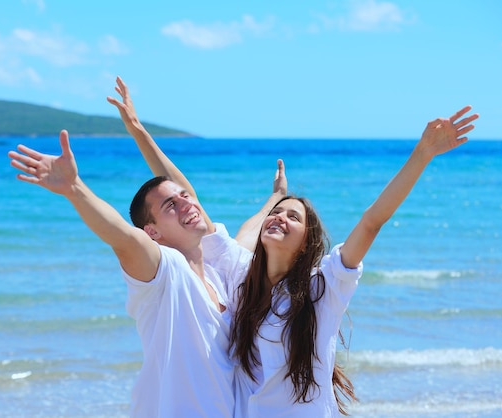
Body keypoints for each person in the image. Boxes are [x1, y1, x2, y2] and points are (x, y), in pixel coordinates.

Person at [8, 76, 286, 418]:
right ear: (153, 232)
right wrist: (75, 188)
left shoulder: (220, 277)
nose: (186, 203)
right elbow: (123, 237)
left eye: (185, 197)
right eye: (171, 206)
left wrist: (275, 198)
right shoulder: (163, 271)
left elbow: (244, 230)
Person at [200, 105, 479, 417]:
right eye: (275, 214)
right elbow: (236, 236)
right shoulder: (243, 279)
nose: (278, 217)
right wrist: (275, 197)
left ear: (306, 243)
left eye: (292, 216)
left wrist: (422, 153)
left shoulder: (322, 287)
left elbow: (371, 222)